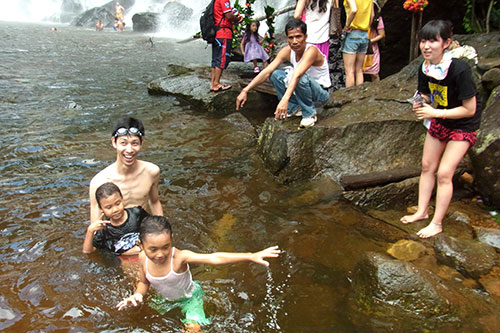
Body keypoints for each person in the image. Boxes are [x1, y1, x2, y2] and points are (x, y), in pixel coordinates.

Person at [116, 216, 280, 330]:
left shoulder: (179, 257)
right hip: (163, 301)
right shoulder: (143, 257)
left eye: (166, 247)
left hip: (190, 299)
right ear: (141, 245)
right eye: (153, 249)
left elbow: (214, 258)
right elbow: (144, 282)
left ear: (171, 239)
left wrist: (250, 256)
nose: (160, 254)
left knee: (193, 330)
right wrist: (138, 294)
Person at [400, 20, 481, 238]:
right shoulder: (425, 67)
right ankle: (422, 211)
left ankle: (437, 223)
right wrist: (419, 101)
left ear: (446, 43)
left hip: (463, 124)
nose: (426, 46)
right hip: (442, 118)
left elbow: (470, 109)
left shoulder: (459, 69)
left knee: (444, 173)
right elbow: (426, 93)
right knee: (427, 166)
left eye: (432, 41)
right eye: (423, 41)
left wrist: (434, 113)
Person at [236, 18, 331, 128]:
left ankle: (309, 114)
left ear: (306, 37)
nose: (294, 41)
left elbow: (297, 75)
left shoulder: (312, 51)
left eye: (298, 36)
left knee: (299, 77)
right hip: (301, 91)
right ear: (287, 39)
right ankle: (293, 108)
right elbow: (267, 71)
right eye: (291, 37)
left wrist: (284, 100)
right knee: (275, 74)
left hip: (319, 94)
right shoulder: (287, 51)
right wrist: (245, 90)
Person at [89, 117, 163, 226]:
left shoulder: (151, 172)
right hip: (115, 233)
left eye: (134, 143)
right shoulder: (99, 182)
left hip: (141, 229)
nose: (129, 150)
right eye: (123, 143)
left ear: (141, 143)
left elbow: (154, 202)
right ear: (114, 142)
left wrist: (163, 230)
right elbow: (96, 224)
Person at [83, 182, 149, 255]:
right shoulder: (104, 229)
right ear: (101, 209)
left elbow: (155, 229)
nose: (115, 209)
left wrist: (142, 247)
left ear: (122, 200)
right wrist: (90, 231)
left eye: (118, 203)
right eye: (109, 207)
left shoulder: (137, 214)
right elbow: (88, 251)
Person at [210, 0, 243, 92]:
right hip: (224, 33)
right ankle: (217, 83)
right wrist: (237, 19)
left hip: (217, 33)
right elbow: (228, 15)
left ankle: (213, 83)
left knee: (215, 59)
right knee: (222, 59)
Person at [342, 0, 373, 87]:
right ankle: (359, 96)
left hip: (353, 33)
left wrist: (346, 26)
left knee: (349, 71)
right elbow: (372, 15)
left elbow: (354, 9)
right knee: (359, 70)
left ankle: (350, 98)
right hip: (365, 34)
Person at [363, 0, 385, 82]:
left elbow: (382, 34)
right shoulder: (359, 18)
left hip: (372, 49)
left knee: (374, 73)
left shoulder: (377, 19)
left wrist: (370, 41)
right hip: (360, 46)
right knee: (359, 72)